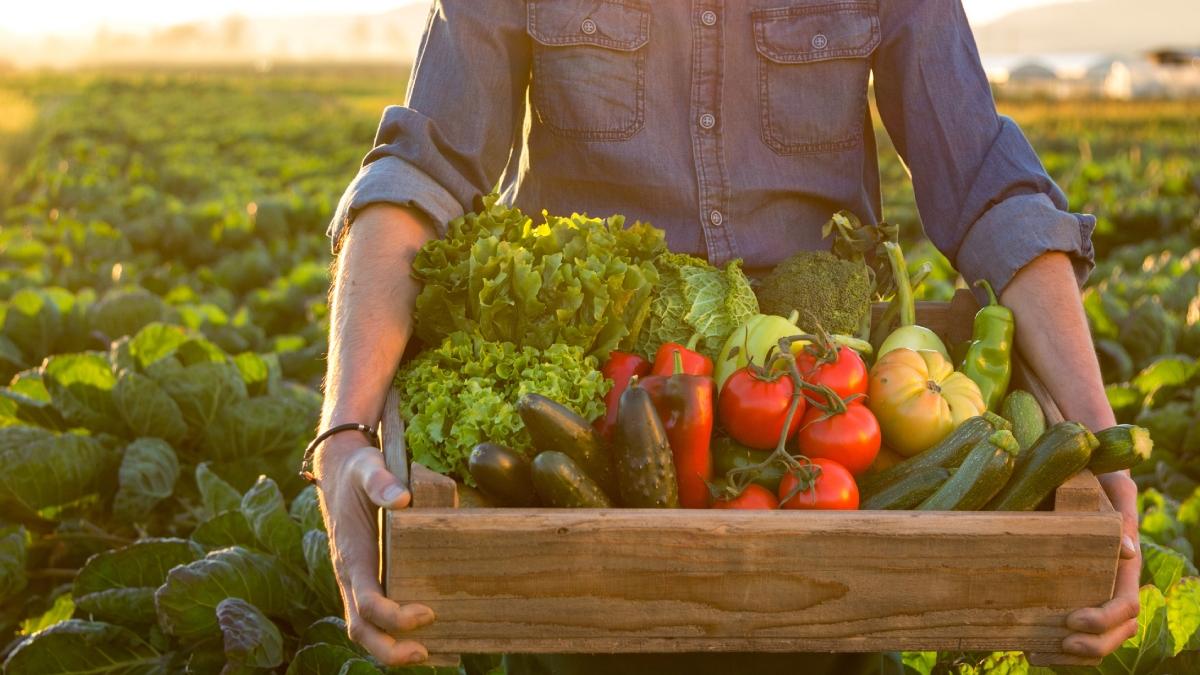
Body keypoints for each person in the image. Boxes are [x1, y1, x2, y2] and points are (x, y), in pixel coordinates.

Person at [311, 1, 1141, 672]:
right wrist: (344, 431)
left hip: (826, 439)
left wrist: (1097, 441)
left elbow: (990, 187)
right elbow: (418, 173)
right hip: (590, 450)